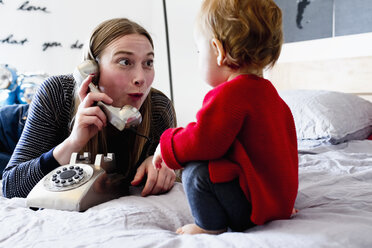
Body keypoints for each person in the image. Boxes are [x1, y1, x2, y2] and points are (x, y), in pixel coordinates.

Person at [153, 0, 298, 235]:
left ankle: (208, 226)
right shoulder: (272, 96)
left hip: (248, 211)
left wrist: (166, 144)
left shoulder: (230, 95)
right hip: (277, 204)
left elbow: (202, 141)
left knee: (195, 170)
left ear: (218, 51)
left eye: (200, 51)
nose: (199, 56)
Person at [2, 18, 177, 198]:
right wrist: (73, 142)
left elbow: (172, 171)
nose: (140, 78)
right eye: (125, 62)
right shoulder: (56, 92)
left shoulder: (159, 108)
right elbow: (11, 187)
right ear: (92, 70)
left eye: (148, 63)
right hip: (10, 132)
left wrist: (161, 164)